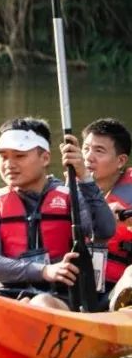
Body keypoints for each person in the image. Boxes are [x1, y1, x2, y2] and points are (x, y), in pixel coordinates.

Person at [0, 118, 115, 311]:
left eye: (19, 156)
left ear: (45, 158)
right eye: (3, 156)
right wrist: (44, 271)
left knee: (40, 304)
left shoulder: (71, 198)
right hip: (4, 296)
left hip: (57, 297)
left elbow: (104, 231)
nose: (9, 164)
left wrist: (85, 177)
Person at [81, 118, 132, 310]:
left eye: (98, 151)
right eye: (86, 149)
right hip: (79, 288)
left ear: (121, 161)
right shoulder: (65, 193)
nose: (88, 157)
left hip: (120, 286)